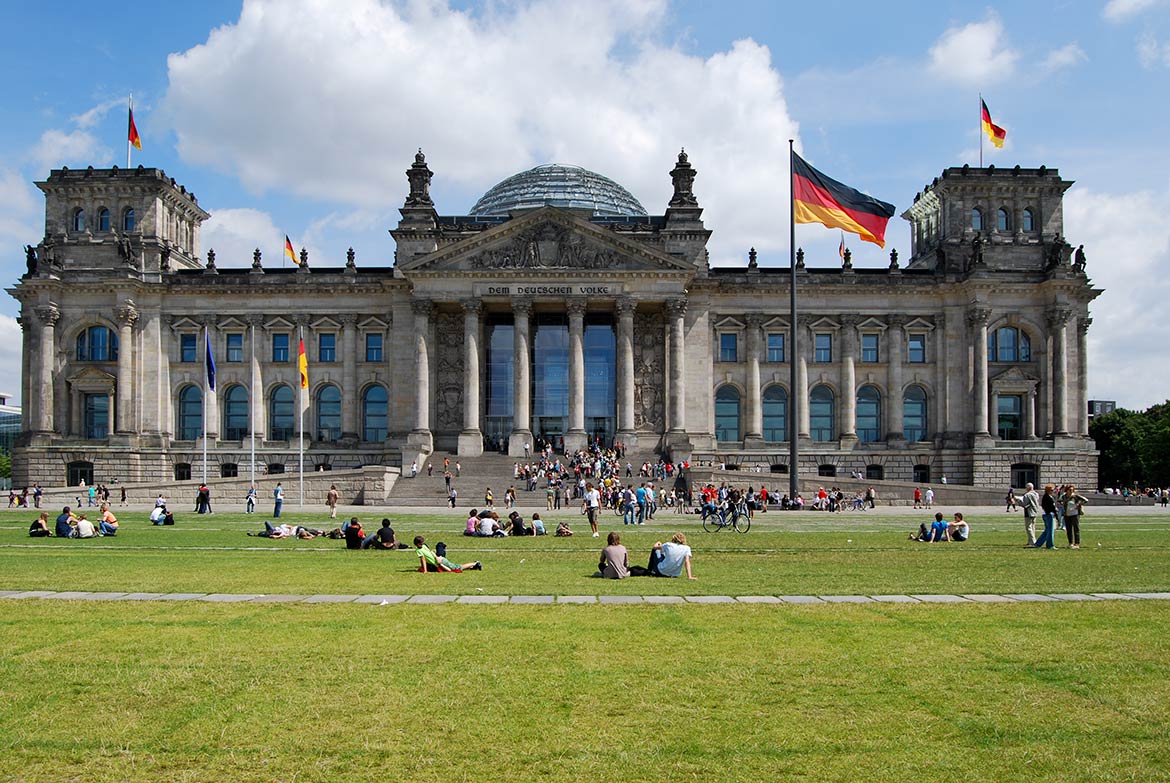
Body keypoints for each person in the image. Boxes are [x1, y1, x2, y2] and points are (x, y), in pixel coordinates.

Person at [413, 535, 480, 573]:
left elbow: (423, 559)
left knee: (458, 567)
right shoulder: (424, 546)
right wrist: (437, 558)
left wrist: (425, 570)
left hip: (441, 561)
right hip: (440, 560)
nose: (422, 544)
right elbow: (430, 553)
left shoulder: (419, 550)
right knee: (455, 567)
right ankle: (474, 566)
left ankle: (475, 563)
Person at [1062, 485, 1089, 549]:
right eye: (1069, 490)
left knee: (1076, 529)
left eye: (1072, 490)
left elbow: (1086, 500)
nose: (1071, 491)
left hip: (1075, 514)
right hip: (1067, 514)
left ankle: (1077, 543)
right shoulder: (1064, 496)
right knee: (1068, 529)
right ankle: (1070, 543)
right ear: (1067, 490)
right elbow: (1060, 501)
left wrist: (1079, 504)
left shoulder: (1075, 496)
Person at [1034, 484, 1058, 549]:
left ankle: (1038, 543)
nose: (1053, 491)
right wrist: (1055, 510)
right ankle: (1050, 545)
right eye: (1052, 490)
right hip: (1049, 514)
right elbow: (1049, 506)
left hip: (1047, 514)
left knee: (1047, 530)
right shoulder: (1047, 497)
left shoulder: (1049, 496)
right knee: (1050, 531)